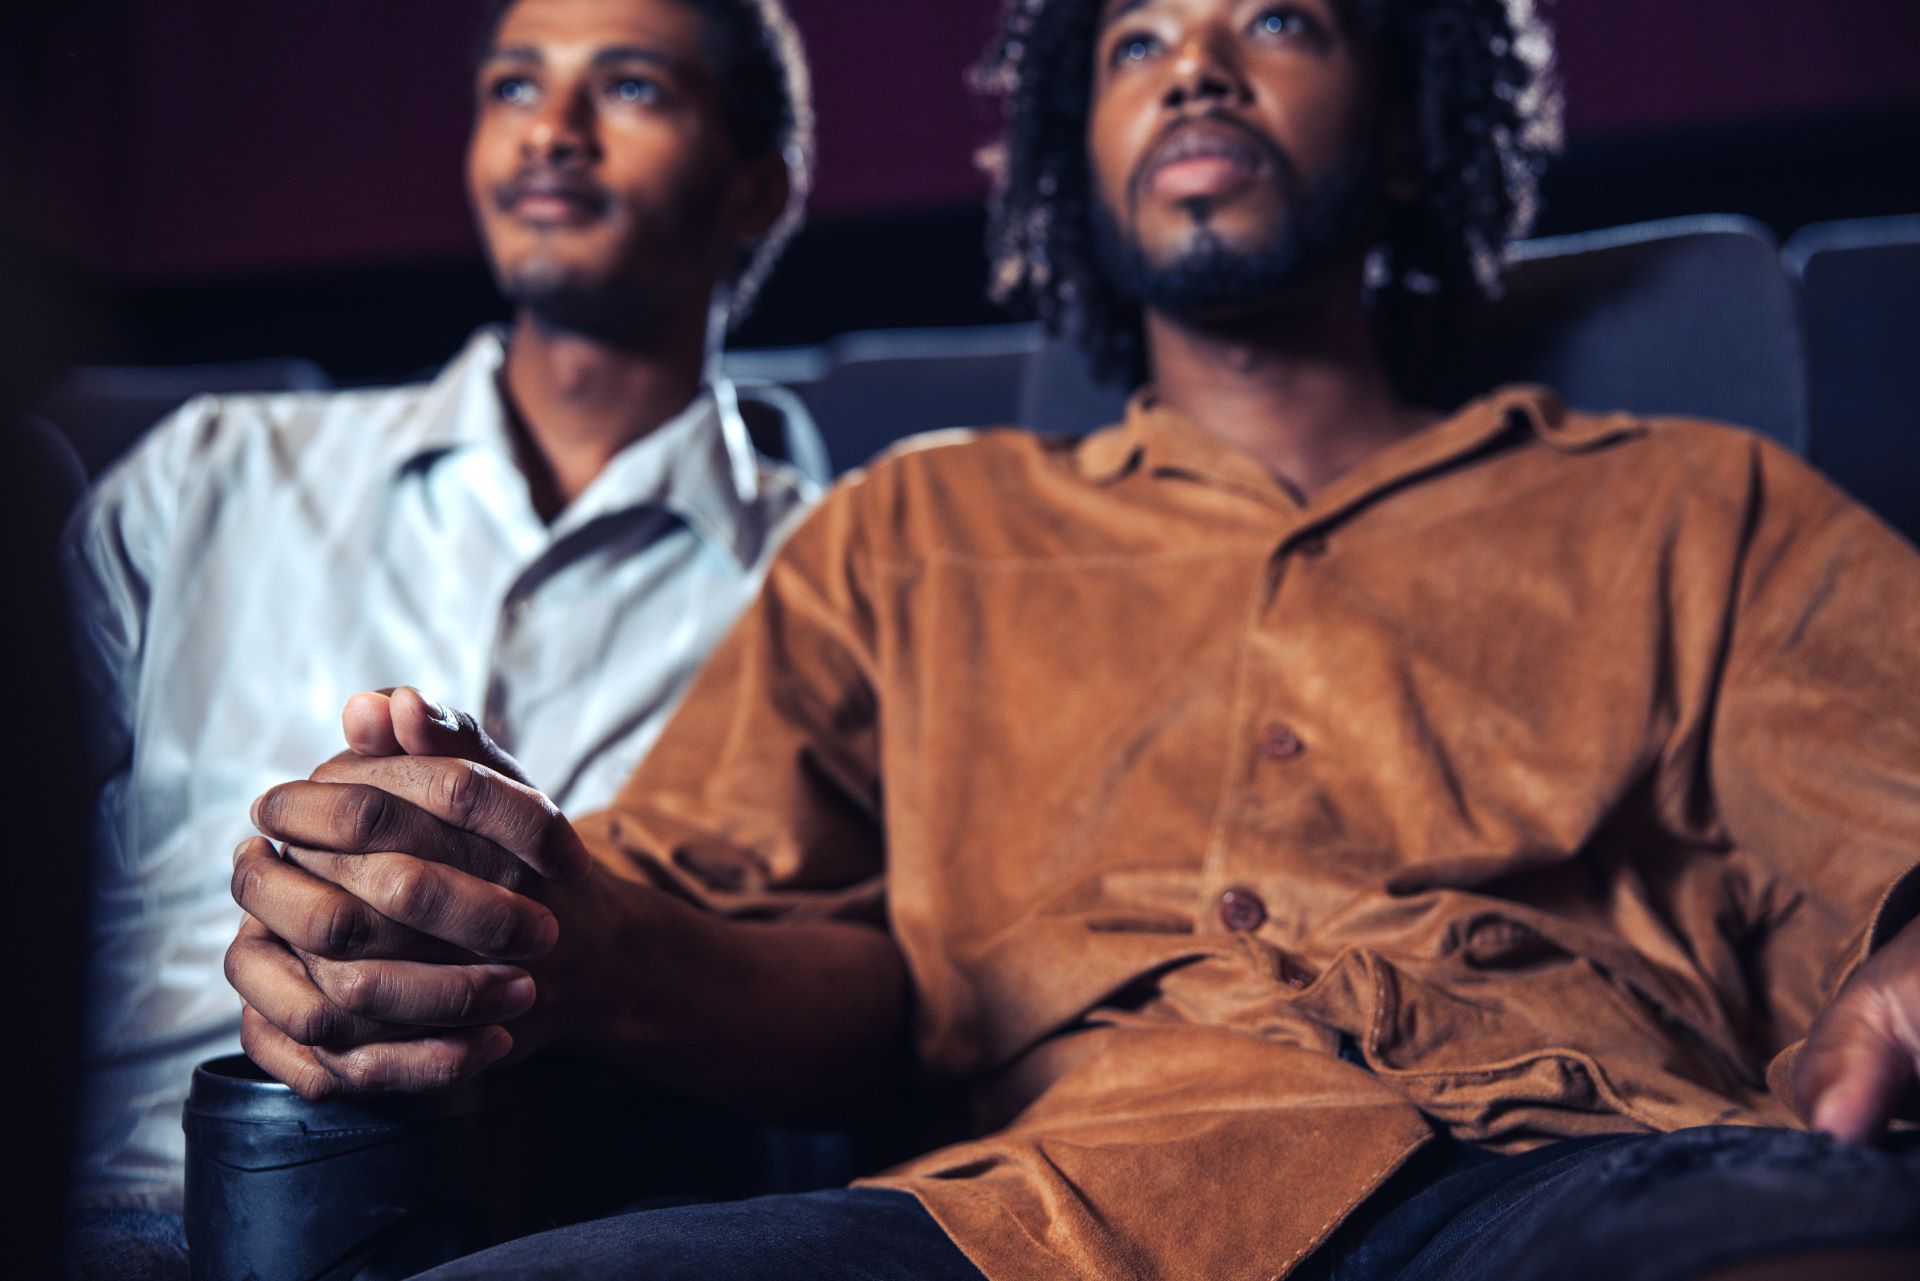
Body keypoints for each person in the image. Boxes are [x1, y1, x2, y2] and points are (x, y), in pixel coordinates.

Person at [225, 0, 1920, 1278]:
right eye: (1136, 41)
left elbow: (1890, 813)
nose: (1195, 66)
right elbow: (699, 919)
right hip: (1041, 1208)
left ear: (1407, 129)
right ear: (1074, 149)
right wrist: (494, 911)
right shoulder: (916, 530)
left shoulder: (1696, 506)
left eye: (1276, 18)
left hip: (1586, 1166)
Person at [63, 0, 817, 1267]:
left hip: (502, 1232)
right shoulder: (211, 472)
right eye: (515, 89)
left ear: (757, 187)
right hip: (82, 1187)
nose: (554, 133)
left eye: (629, 88)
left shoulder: (835, 574)